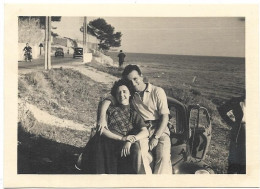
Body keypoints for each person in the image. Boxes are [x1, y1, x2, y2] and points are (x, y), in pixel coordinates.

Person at [98, 64, 172, 174]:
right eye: (130, 81)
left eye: (135, 79)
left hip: (160, 129)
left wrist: (156, 137)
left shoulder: (157, 91)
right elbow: (109, 98)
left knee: (164, 157)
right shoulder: (131, 94)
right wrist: (102, 117)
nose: (133, 83)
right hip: (142, 129)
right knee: (140, 155)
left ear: (141, 76)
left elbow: (165, 116)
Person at [79, 79, 151, 174]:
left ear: (130, 94)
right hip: (107, 141)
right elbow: (102, 130)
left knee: (136, 150)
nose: (121, 95)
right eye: (119, 93)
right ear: (115, 96)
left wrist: (130, 140)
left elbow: (145, 132)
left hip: (122, 144)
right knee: (101, 142)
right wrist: (122, 138)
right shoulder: (110, 109)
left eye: (124, 92)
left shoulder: (134, 114)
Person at [217, 94, 246, 174]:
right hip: (238, 130)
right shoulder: (235, 101)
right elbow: (221, 109)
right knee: (234, 156)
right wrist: (231, 123)